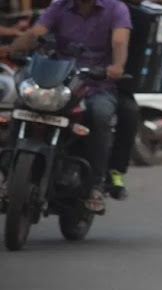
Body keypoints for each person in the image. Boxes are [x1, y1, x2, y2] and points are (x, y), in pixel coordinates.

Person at [1, 0, 132, 214]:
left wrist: (117, 66)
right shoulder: (59, 6)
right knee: (21, 106)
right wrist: (10, 50)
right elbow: (36, 34)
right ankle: (7, 176)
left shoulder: (116, 8)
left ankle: (95, 186)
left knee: (100, 115)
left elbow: (119, 41)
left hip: (96, 85)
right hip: (58, 82)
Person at [105, 0, 162, 200]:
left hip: (107, 82)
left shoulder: (132, 16)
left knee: (125, 114)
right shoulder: (62, 8)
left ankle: (115, 171)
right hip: (70, 79)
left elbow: (128, 57)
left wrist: (117, 73)